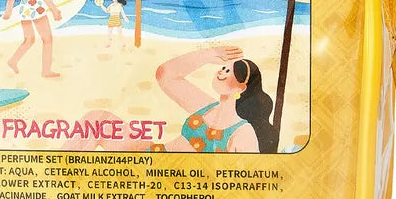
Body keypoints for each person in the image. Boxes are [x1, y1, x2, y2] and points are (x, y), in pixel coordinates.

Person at [62, 46, 279, 153]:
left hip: (172, 184)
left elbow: (245, 180)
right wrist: (206, 55)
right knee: (96, 119)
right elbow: (165, 75)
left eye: (229, 71)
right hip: (157, 155)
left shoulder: (243, 132)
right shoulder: (207, 107)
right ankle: (59, 179)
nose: (221, 72)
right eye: (222, 67)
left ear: (242, 87)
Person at [2, 0, 62, 77]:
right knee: (47, 39)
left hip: (25, 8)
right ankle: (46, 71)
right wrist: (55, 11)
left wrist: (8, 11)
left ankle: (13, 61)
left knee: (29, 39)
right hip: (36, 7)